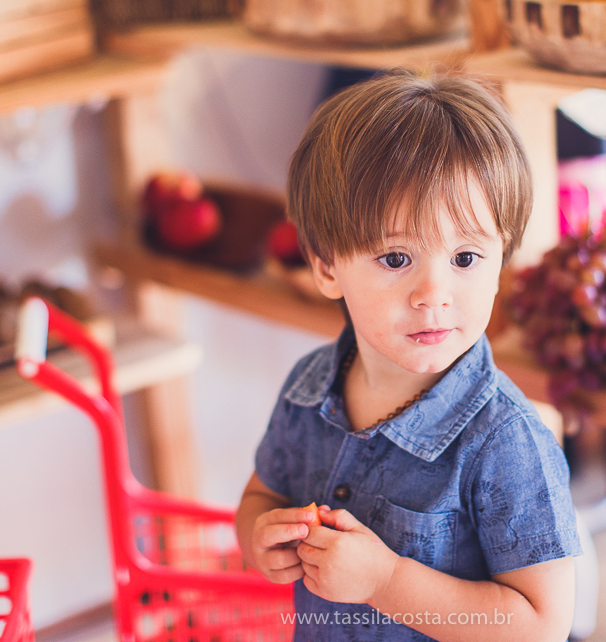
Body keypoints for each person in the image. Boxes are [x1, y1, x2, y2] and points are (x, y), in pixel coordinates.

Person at [235, 70, 581, 641]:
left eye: (466, 258)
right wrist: (258, 539)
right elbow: (261, 494)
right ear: (326, 267)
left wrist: (385, 581)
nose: (434, 295)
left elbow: (539, 625)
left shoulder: (507, 442)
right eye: (396, 259)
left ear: (503, 261)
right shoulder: (308, 389)